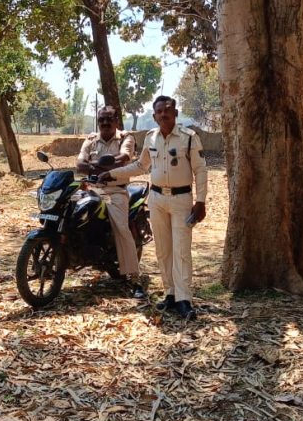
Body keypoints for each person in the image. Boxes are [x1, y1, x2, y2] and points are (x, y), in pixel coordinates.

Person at [100, 96, 207, 319]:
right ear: (154, 115)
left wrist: (201, 201)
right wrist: (112, 174)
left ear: (175, 113)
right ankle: (170, 294)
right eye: (159, 111)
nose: (163, 115)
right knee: (163, 250)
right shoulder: (151, 137)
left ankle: (184, 299)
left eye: (167, 110)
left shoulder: (188, 137)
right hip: (157, 199)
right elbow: (141, 166)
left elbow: (200, 170)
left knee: (181, 250)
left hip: (181, 200)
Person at [77, 105, 145, 298]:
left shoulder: (125, 138)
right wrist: (100, 166)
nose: (105, 123)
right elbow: (79, 164)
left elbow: (122, 159)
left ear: (116, 121)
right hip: (92, 189)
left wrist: (93, 165)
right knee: (67, 210)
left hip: (114, 191)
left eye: (109, 119)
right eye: (101, 120)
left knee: (121, 228)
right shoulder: (91, 139)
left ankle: (135, 279)